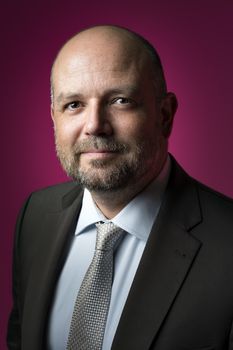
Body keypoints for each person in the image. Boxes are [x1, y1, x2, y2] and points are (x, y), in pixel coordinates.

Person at [7, 25, 233, 350]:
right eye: (74, 105)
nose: (95, 125)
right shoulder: (35, 217)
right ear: (54, 119)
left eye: (120, 100)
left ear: (165, 115)